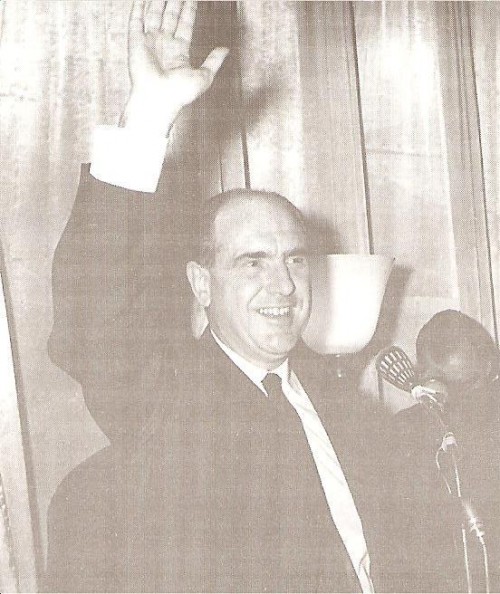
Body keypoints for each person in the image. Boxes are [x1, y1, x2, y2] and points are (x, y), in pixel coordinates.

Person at [44, 1, 397, 591]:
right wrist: (149, 114)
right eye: (252, 263)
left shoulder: (350, 412)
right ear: (202, 282)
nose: (283, 285)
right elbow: (93, 316)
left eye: (294, 260)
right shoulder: (167, 400)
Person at [392, 310, 500, 592]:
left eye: (467, 386)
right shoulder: (404, 431)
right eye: (442, 385)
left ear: (488, 368)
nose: (455, 401)